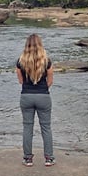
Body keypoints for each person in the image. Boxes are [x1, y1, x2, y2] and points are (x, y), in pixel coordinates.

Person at [15, 33, 55, 167]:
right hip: (43, 96)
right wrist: (41, 88)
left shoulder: (20, 61)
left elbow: (21, 81)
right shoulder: (47, 61)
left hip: (26, 96)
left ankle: (28, 158)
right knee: (46, 128)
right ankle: (49, 158)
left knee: (27, 127)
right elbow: (50, 81)